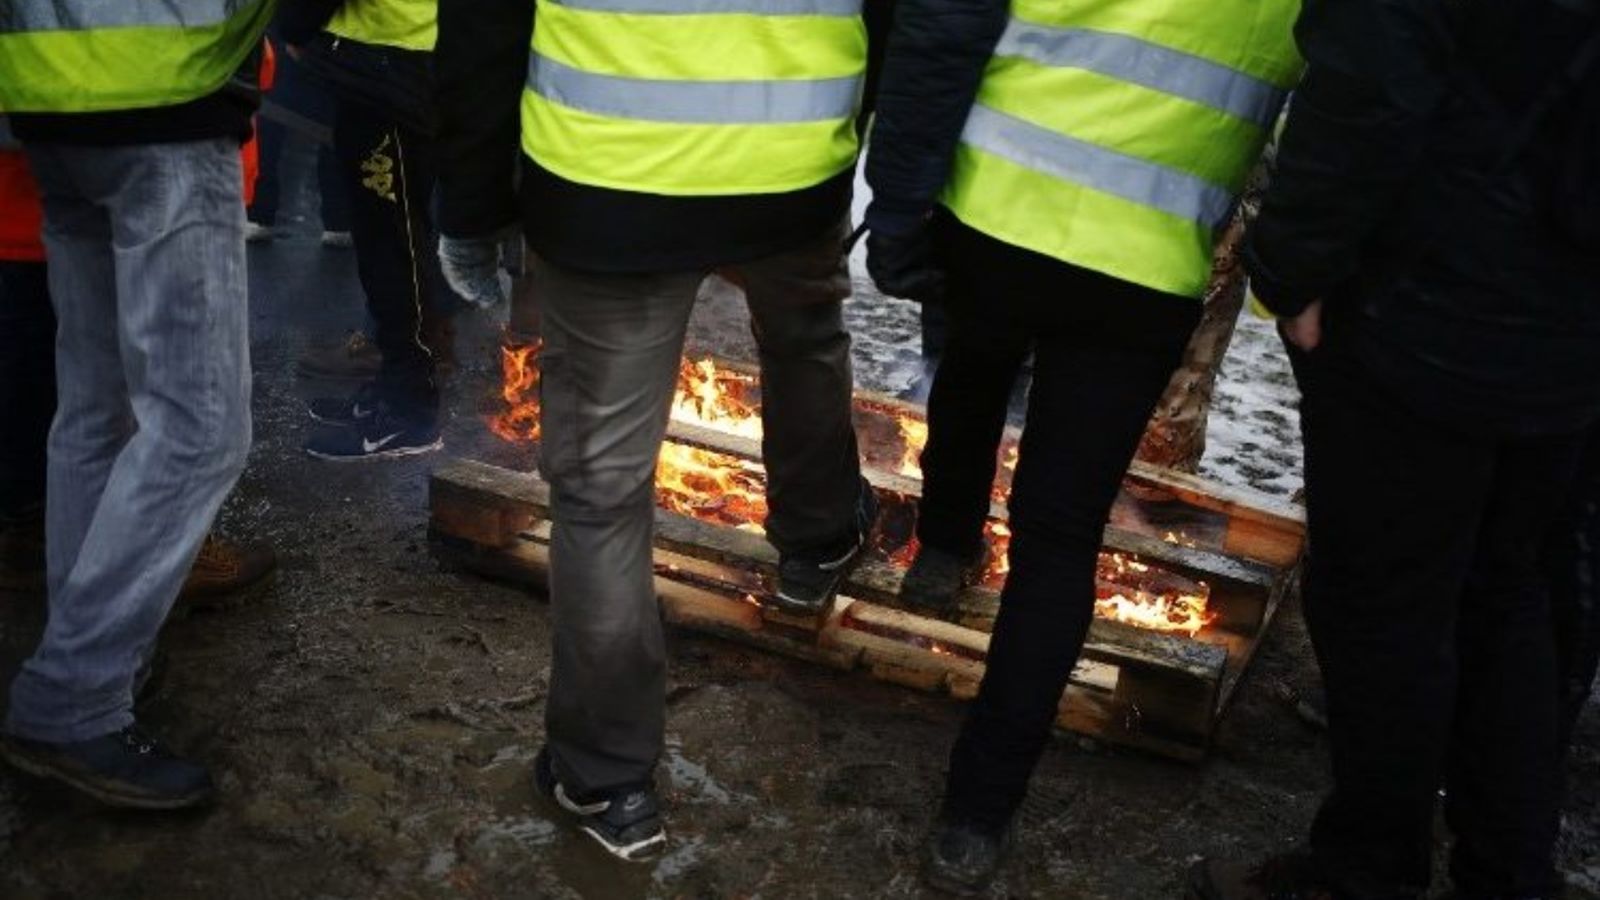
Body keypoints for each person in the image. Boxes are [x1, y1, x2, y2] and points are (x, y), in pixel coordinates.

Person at [433, 0, 891, 861]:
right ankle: (817, 540)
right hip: (791, 164)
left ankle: (605, 778)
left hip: (614, 179)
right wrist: (858, 140)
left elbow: (482, 23)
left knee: (602, 495)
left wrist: (473, 202)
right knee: (804, 338)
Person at [863, 0, 1303, 891]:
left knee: (972, 383)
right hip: (1145, 269)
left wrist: (903, 202)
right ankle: (976, 818)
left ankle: (945, 549)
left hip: (994, 213)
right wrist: (1296, 267)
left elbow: (943, 30)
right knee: (1059, 533)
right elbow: (1345, 113)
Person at [1186, 0, 1600, 897]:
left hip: (1423, 316)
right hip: (1564, 329)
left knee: (1389, 605)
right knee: (1508, 590)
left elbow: (1369, 87)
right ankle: (1508, 869)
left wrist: (1293, 268)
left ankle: (1365, 867)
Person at [0, 0, 270, 809]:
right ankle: (72, 696)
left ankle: (95, 659)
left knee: (97, 411)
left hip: (47, 98)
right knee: (201, 428)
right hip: (166, 98)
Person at [278, 0, 457, 461]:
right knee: (388, 238)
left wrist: (296, 25)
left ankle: (409, 409)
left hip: (390, 64)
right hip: (389, 61)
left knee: (394, 243)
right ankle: (396, 390)